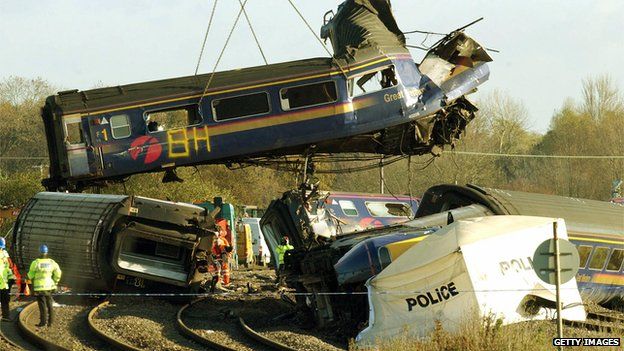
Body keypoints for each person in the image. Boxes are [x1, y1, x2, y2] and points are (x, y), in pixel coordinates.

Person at [27, 244, 61, 327]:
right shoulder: (51, 262)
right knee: (49, 304)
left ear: (39, 252)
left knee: (42, 305)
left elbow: (30, 276)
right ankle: (51, 322)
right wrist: (55, 282)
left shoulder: (36, 263)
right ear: (47, 252)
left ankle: (43, 322)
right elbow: (58, 273)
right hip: (49, 286)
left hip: (39, 288)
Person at [0, 238, 15, 321]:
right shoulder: (4, 254)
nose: (1, 249)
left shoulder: (5, 254)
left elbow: (9, 267)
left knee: (5, 300)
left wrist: (11, 278)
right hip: (2, 282)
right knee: (4, 299)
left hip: (4, 283)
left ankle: (6, 316)